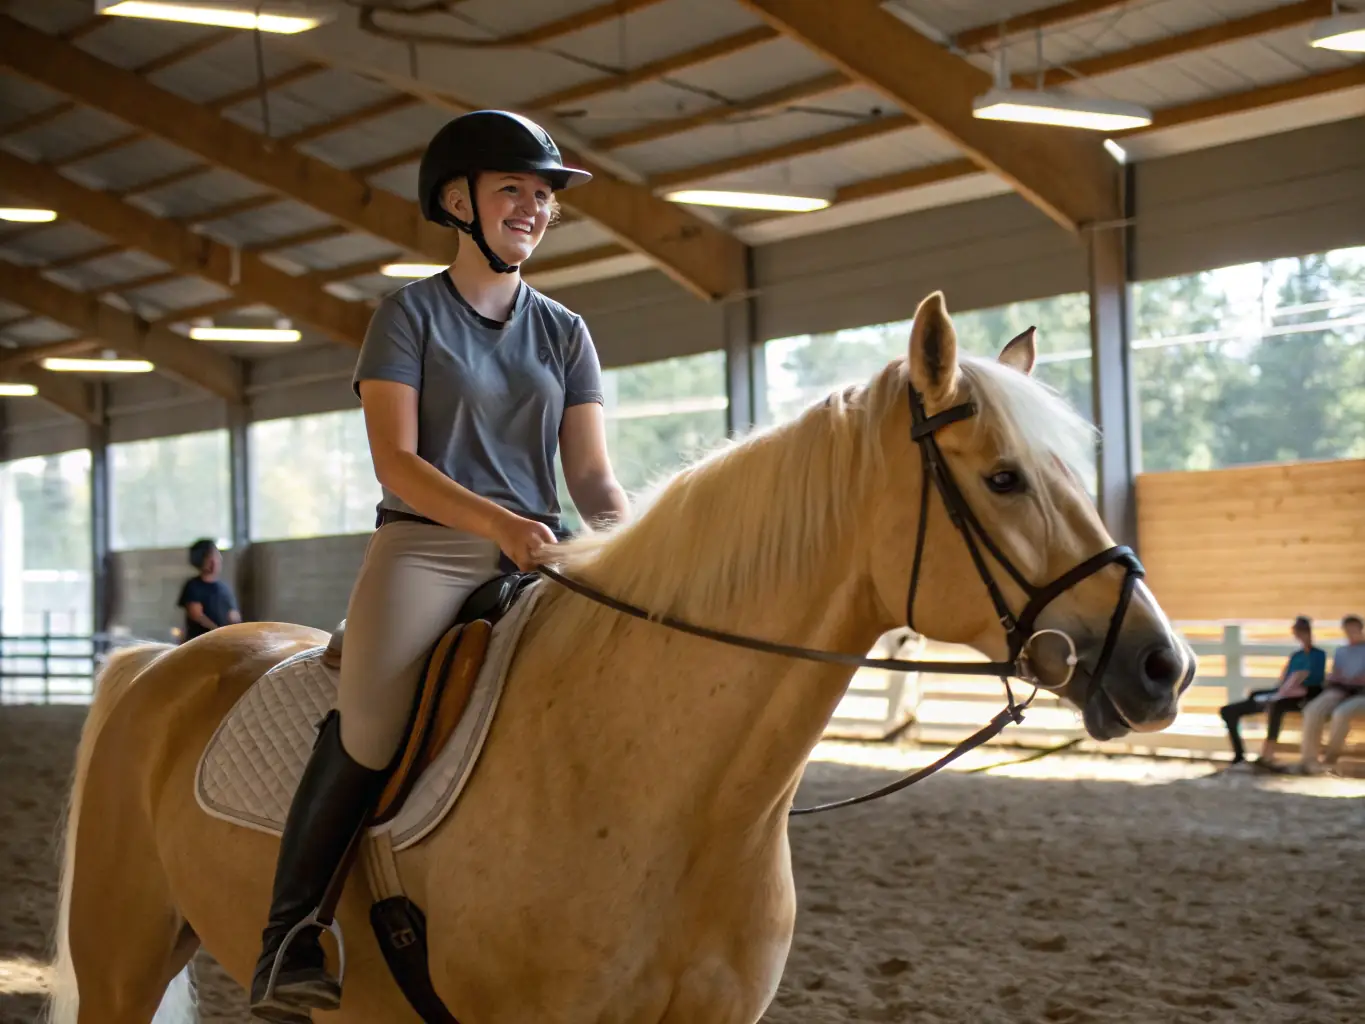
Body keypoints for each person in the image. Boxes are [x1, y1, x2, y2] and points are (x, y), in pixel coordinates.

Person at [249, 110, 630, 1021]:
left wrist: (630, 546)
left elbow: (588, 474)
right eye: (514, 191)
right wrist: (497, 523)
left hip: (539, 547)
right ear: (457, 202)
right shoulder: (407, 316)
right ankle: (291, 933)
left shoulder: (566, 331)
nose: (533, 209)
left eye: (543, 197)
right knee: (372, 723)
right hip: (426, 546)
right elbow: (399, 464)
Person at [1218, 615, 1325, 767]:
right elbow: (1284, 679)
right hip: (1284, 692)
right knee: (1230, 709)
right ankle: (1239, 755)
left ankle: (1267, 753)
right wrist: (1284, 686)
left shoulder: (1317, 655)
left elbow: (1312, 678)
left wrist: (1292, 684)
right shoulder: (1297, 655)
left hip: (1303, 695)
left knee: (1276, 706)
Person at [1296, 614, 1365, 774]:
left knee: (1341, 714)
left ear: (1360, 629)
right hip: (1340, 689)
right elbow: (1336, 672)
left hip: (1360, 693)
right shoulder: (1342, 651)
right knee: (1312, 710)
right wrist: (1334, 677)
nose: (1350, 633)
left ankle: (1330, 758)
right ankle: (1309, 760)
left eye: (1353, 629)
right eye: (1347, 630)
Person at [176, 538, 240, 641]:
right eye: (209, 557)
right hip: (200, 641)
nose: (214, 561)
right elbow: (196, 615)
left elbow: (233, 615)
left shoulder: (224, 588)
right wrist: (218, 632)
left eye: (216, 556)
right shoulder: (193, 586)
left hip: (224, 640)